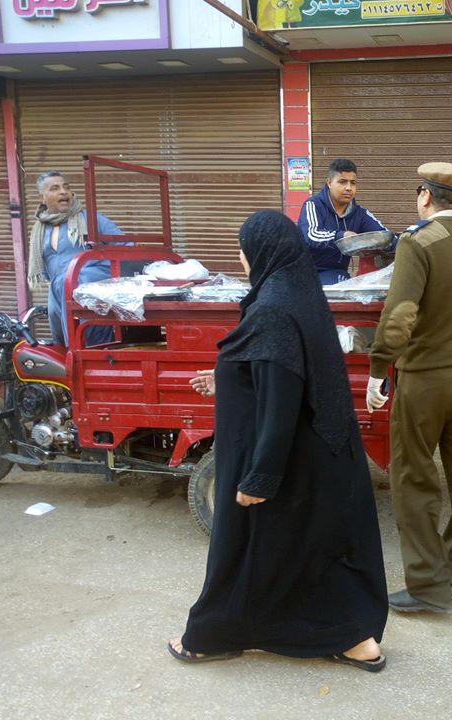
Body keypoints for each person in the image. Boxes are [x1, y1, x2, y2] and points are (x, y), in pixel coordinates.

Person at [168, 210, 389, 671]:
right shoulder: (298, 293)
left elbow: (282, 396)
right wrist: (227, 377)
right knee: (306, 550)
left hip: (280, 456)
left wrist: (261, 477)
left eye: (243, 248)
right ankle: (354, 639)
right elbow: (285, 366)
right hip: (317, 453)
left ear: (263, 251)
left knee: (246, 548)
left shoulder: (271, 308)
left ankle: (212, 634)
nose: (241, 258)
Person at [366, 162, 452, 614]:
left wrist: (378, 368)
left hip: (427, 381)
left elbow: (400, 314)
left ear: (425, 196)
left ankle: (426, 587)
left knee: (414, 479)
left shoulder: (417, 241)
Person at [27, 171, 124, 346]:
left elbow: (124, 248)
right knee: (62, 345)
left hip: (90, 298)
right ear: (41, 197)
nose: (64, 192)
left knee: (91, 346)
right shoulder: (39, 230)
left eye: (67, 187)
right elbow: (48, 271)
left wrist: (95, 273)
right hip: (60, 298)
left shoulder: (90, 219)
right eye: (55, 188)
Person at [297, 158, 389, 285]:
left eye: (353, 183)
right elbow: (312, 235)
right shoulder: (313, 205)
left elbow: (383, 234)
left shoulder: (360, 214)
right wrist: (342, 236)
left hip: (336, 271)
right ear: (329, 182)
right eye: (342, 182)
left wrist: (400, 243)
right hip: (304, 271)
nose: (348, 188)